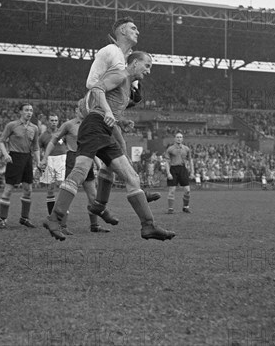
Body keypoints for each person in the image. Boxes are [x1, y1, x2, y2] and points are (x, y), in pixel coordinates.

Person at [44, 51, 175, 242]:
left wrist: (121, 121)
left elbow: (112, 109)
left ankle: (148, 225)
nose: (148, 71)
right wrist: (106, 111)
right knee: (80, 170)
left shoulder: (127, 86)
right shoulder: (120, 74)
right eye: (147, 66)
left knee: (132, 176)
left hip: (104, 129)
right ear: (135, 63)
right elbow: (97, 89)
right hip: (94, 126)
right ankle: (54, 218)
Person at [85, 17, 160, 212]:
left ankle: (100, 204)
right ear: (122, 31)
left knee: (114, 155)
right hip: (95, 110)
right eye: (133, 28)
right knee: (85, 164)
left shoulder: (125, 56)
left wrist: (120, 115)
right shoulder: (111, 51)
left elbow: (122, 94)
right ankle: (63, 213)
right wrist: (104, 110)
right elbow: (93, 84)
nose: (138, 31)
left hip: (106, 112)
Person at [40, 105, 110, 235]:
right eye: (83, 108)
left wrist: (98, 162)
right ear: (77, 110)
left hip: (87, 159)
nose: (85, 110)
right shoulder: (69, 125)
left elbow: (92, 145)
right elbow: (53, 141)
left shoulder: (91, 124)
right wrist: (45, 158)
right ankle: (62, 225)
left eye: (87, 108)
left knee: (93, 195)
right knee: (68, 194)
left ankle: (94, 225)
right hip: (73, 160)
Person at [0, 103, 40, 229]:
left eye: (31, 110)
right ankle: (2, 219)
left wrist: (38, 162)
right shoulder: (12, 125)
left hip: (27, 158)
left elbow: (36, 147)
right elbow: (1, 141)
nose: (29, 112)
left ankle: (24, 218)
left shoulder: (35, 128)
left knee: (28, 190)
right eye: (26, 110)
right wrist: (5, 154)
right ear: (20, 112)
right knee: (9, 189)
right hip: (14, 158)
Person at [38, 113, 67, 217]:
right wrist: (41, 161)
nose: (54, 122)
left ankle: (63, 211)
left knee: (62, 186)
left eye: (55, 120)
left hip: (62, 160)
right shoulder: (43, 136)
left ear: (58, 121)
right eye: (52, 120)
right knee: (50, 189)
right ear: (48, 122)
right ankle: (51, 215)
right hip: (49, 160)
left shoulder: (63, 133)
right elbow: (38, 148)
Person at [165, 132, 195, 214]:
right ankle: (170, 208)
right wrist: (168, 173)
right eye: (177, 137)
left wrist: (192, 172)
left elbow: (190, 160)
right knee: (172, 189)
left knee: (187, 190)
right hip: (173, 169)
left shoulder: (186, 149)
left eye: (180, 137)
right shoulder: (170, 149)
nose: (179, 138)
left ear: (182, 139)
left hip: (182, 169)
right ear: (175, 138)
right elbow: (167, 162)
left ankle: (186, 207)